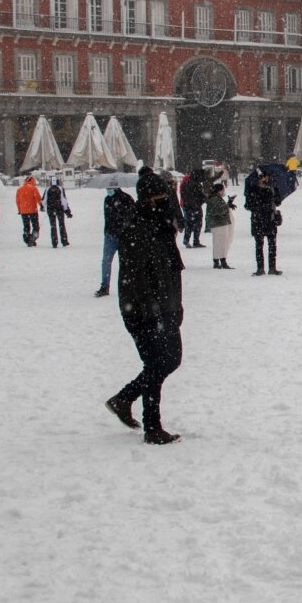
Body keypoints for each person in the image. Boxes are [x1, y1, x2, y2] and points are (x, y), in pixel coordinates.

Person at [104, 168, 184, 445]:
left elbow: (172, 269)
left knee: (171, 360)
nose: (165, 200)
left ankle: (124, 398)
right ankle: (152, 426)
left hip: (167, 306)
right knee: (156, 362)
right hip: (143, 310)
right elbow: (138, 277)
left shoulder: (161, 224)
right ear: (148, 198)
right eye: (160, 195)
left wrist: (174, 308)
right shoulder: (136, 227)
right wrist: (154, 312)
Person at [96, 186, 134, 296]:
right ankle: (105, 285)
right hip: (110, 235)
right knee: (106, 261)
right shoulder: (107, 199)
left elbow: (132, 216)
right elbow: (106, 217)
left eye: (110, 188)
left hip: (124, 236)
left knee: (126, 262)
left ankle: (128, 286)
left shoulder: (126, 198)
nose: (108, 190)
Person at [247, 171, 281, 275]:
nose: (264, 179)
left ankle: (272, 267)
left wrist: (274, 197)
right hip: (258, 219)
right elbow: (248, 205)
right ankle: (260, 268)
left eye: (265, 177)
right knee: (259, 245)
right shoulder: (253, 189)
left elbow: (278, 201)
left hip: (269, 219)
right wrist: (260, 204)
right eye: (261, 177)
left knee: (272, 245)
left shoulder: (272, 188)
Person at [205, 182, 235, 269]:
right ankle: (220, 261)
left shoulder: (216, 198)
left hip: (219, 223)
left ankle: (220, 260)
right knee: (220, 243)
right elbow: (218, 211)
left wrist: (229, 203)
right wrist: (228, 204)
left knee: (221, 242)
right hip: (218, 224)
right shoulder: (215, 199)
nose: (224, 191)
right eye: (223, 190)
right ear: (219, 191)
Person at [180, 169, 207, 249]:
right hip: (195, 207)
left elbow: (183, 195)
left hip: (188, 206)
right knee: (197, 224)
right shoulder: (197, 185)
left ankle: (187, 239)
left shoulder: (185, 183)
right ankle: (195, 241)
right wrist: (200, 202)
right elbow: (201, 196)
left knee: (189, 224)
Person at [44, 177, 73, 248]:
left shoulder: (47, 189)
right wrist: (67, 211)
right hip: (59, 209)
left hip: (50, 210)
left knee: (53, 226)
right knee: (62, 225)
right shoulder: (60, 189)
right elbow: (64, 201)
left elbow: (44, 200)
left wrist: (44, 208)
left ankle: (54, 242)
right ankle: (64, 241)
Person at [15, 175, 42, 246]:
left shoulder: (19, 189)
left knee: (26, 226)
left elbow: (18, 201)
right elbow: (38, 198)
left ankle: (27, 239)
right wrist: (42, 206)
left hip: (23, 211)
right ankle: (33, 238)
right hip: (33, 210)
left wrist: (19, 210)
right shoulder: (33, 188)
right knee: (35, 226)